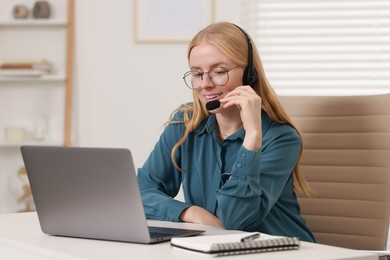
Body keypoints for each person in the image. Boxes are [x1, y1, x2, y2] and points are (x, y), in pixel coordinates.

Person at [137, 22, 315, 242]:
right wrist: (190, 213)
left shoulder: (281, 138)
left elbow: (234, 221)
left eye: (219, 72)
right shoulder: (185, 124)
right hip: (215, 248)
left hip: (281, 251)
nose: (205, 84)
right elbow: (140, 192)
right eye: (196, 74)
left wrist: (251, 138)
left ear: (249, 74)